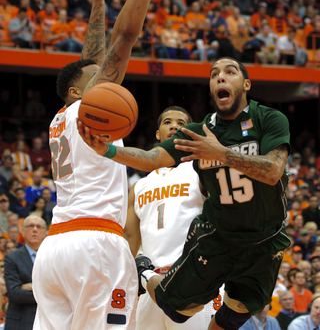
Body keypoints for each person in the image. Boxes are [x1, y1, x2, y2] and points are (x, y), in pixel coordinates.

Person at [78, 56, 291, 330]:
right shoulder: (197, 133)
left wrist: (221, 153)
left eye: (229, 72)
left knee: (239, 310)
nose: (220, 77)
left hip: (265, 237)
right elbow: (150, 158)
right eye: (214, 74)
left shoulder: (269, 119)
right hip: (221, 236)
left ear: (246, 84)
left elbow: (273, 171)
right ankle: (144, 273)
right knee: (178, 311)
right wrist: (107, 150)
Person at [32, 0, 171, 330]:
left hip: (55, 251)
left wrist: (97, 5)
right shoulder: (92, 109)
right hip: (96, 245)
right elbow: (126, 37)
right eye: (95, 81)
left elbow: (91, 61)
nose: (104, 77)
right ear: (81, 93)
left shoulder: (63, 116)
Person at [124, 105, 224, 330]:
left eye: (182, 123)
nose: (175, 126)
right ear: (158, 134)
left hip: (191, 279)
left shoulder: (200, 170)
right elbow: (129, 241)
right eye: (168, 122)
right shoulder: (139, 186)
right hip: (150, 283)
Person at [4, 215, 47, 330]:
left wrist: (31, 286)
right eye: (30, 226)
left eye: (38, 226)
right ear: (22, 232)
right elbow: (15, 293)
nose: (34, 229)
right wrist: (45, 292)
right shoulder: (11, 258)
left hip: (47, 320)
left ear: (45, 232)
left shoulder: (52, 257)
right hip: (20, 323)